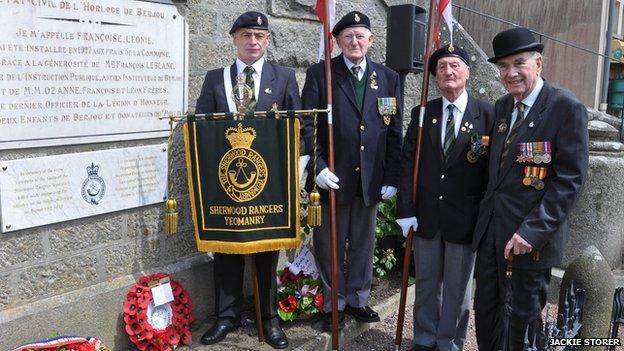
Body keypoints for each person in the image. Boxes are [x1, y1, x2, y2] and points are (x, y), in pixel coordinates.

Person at [472, 27, 589, 351]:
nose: (511, 73)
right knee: (487, 315)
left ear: (538, 64)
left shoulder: (566, 108)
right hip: (492, 238)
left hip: (528, 241)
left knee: (521, 324)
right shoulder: (502, 109)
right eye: (503, 67)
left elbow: (569, 181)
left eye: (518, 63)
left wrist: (531, 231)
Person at [194, 11, 301, 349]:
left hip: (269, 185)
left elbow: (299, 127)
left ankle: (268, 319)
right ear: (234, 40)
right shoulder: (215, 79)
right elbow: (201, 128)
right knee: (226, 253)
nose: (253, 42)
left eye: (259, 36)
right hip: (228, 183)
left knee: (268, 252)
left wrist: (300, 168)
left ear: (268, 40)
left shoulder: (283, 78)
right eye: (245, 36)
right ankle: (225, 317)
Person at [300, 10, 403, 331]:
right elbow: (306, 124)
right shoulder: (322, 74)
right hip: (333, 177)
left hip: (370, 179)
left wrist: (391, 176)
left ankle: (358, 299)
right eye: (348, 36)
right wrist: (316, 167)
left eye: (360, 36)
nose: (354, 41)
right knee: (329, 243)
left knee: (363, 242)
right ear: (337, 41)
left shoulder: (388, 78)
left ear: (370, 41)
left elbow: (394, 131)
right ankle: (334, 304)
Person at [395, 45, 494, 351]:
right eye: (441, 68)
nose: (448, 72)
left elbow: (491, 172)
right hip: (426, 214)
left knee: (458, 290)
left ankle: (449, 342)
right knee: (425, 284)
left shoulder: (488, 114)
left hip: (465, 218)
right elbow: (408, 161)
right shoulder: (424, 113)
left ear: (467, 71)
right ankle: (424, 338)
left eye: (455, 65)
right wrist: (405, 209)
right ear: (435, 76)